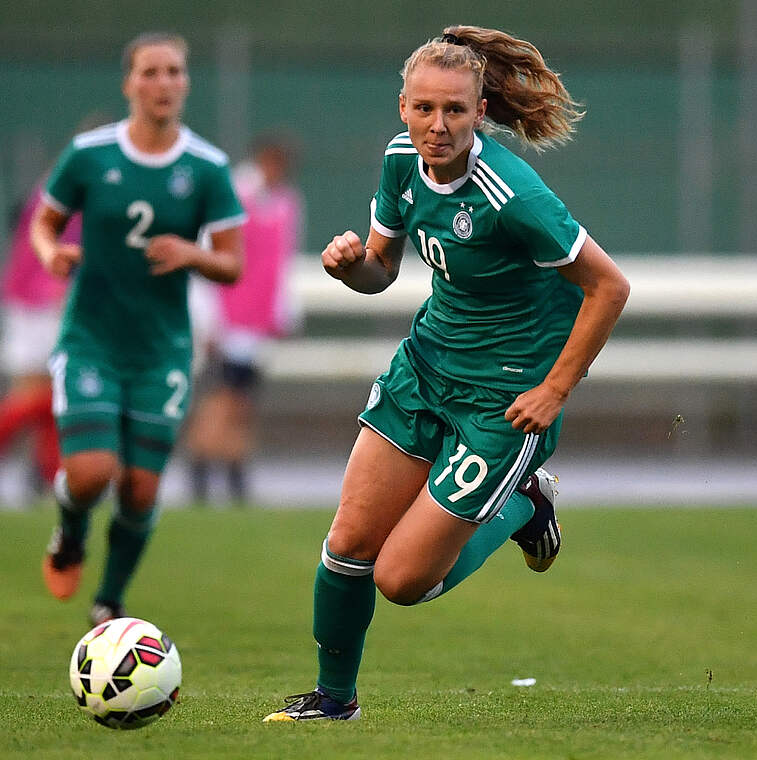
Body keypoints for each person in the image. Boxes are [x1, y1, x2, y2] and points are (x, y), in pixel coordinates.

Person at [262, 26, 629, 722]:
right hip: (426, 369)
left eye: (454, 110)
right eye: (424, 108)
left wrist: (555, 390)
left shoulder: (511, 194)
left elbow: (609, 287)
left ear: (479, 112)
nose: (438, 125)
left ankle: (526, 506)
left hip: (503, 401)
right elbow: (381, 270)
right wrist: (350, 268)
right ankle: (334, 701)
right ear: (402, 107)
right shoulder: (400, 161)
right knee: (347, 545)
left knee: (402, 581)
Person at [30, 32, 245, 626]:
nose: (163, 83)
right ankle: (70, 532)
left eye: (174, 71)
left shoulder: (207, 167)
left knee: (141, 490)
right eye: (150, 72)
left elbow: (233, 264)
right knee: (92, 474)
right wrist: (51, 253)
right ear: (129, 82)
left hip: (161, 351)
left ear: (186, 83)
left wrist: (192, 254)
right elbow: (45, 223)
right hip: (91, 341)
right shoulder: (89, 154)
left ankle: (108, 601)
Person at [184, 134, 304, 505]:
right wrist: (207, 318)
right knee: (222, 397)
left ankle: (232, 467)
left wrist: (283, 312)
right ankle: (204, 466)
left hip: (258, 320)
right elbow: (207, 254)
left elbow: (283, 260)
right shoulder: (233, 196)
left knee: (242, 401)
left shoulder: (286, 204)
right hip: (229, 316)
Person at [0, 181, 79, 505]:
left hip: (48, 307)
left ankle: (45, 473)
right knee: (34, 395)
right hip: (34, 311)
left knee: (57, 399)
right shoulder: (60, 193)